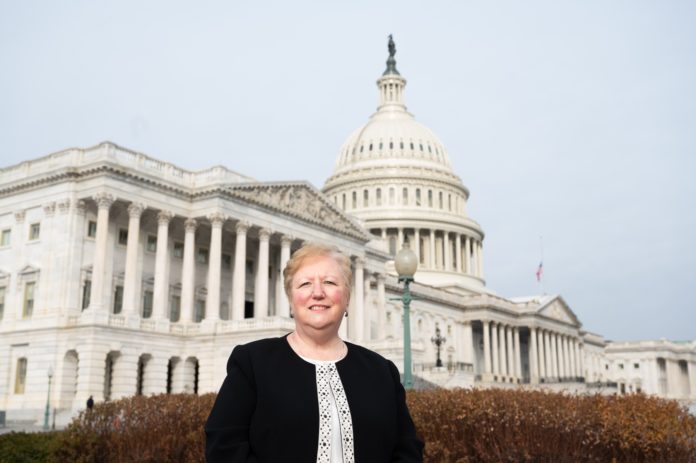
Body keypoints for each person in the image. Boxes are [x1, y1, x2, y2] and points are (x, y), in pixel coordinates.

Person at [205, 243, 424, 462]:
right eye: (305, 284)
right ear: (291, 300)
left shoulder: (381, 372)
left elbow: (407, 449)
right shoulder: (253, 363)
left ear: (347, 298)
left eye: (329, 282)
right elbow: (224, 447)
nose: (317, 293)